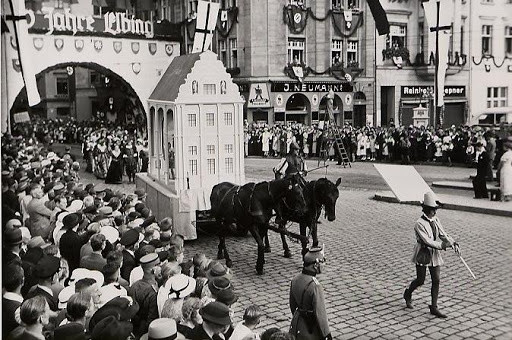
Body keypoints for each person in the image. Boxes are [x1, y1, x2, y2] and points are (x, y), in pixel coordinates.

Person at [403, 192, 461, 318]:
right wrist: (442, 246)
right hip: (423, 252)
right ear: (427, 209)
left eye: (435, 210)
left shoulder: (435, 220)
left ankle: (434, 307)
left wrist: (452, 242)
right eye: (433, 210)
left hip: (434, 253)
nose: (435, 212)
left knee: (436, 279)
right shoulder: (419, 223)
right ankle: (408, 293)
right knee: (420, 280)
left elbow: (442, 234)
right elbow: (427, 241)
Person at [289, 246, 331, 340]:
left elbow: (292, 305)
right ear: (315, 265)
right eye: (322, 261)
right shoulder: (315, 286)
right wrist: (327, 335)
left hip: (296, 325)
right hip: (310, 330)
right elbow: (321, 314)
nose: (324, 264)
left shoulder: (295, 279)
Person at [497, 137, 512, 202]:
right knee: (509, 182)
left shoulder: (505, 154)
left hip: (505, 168)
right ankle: (508, 195)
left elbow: (501, 163)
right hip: (509, 167)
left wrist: (498, 170)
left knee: (504, 181)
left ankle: (503, 196)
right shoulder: (511, 153)